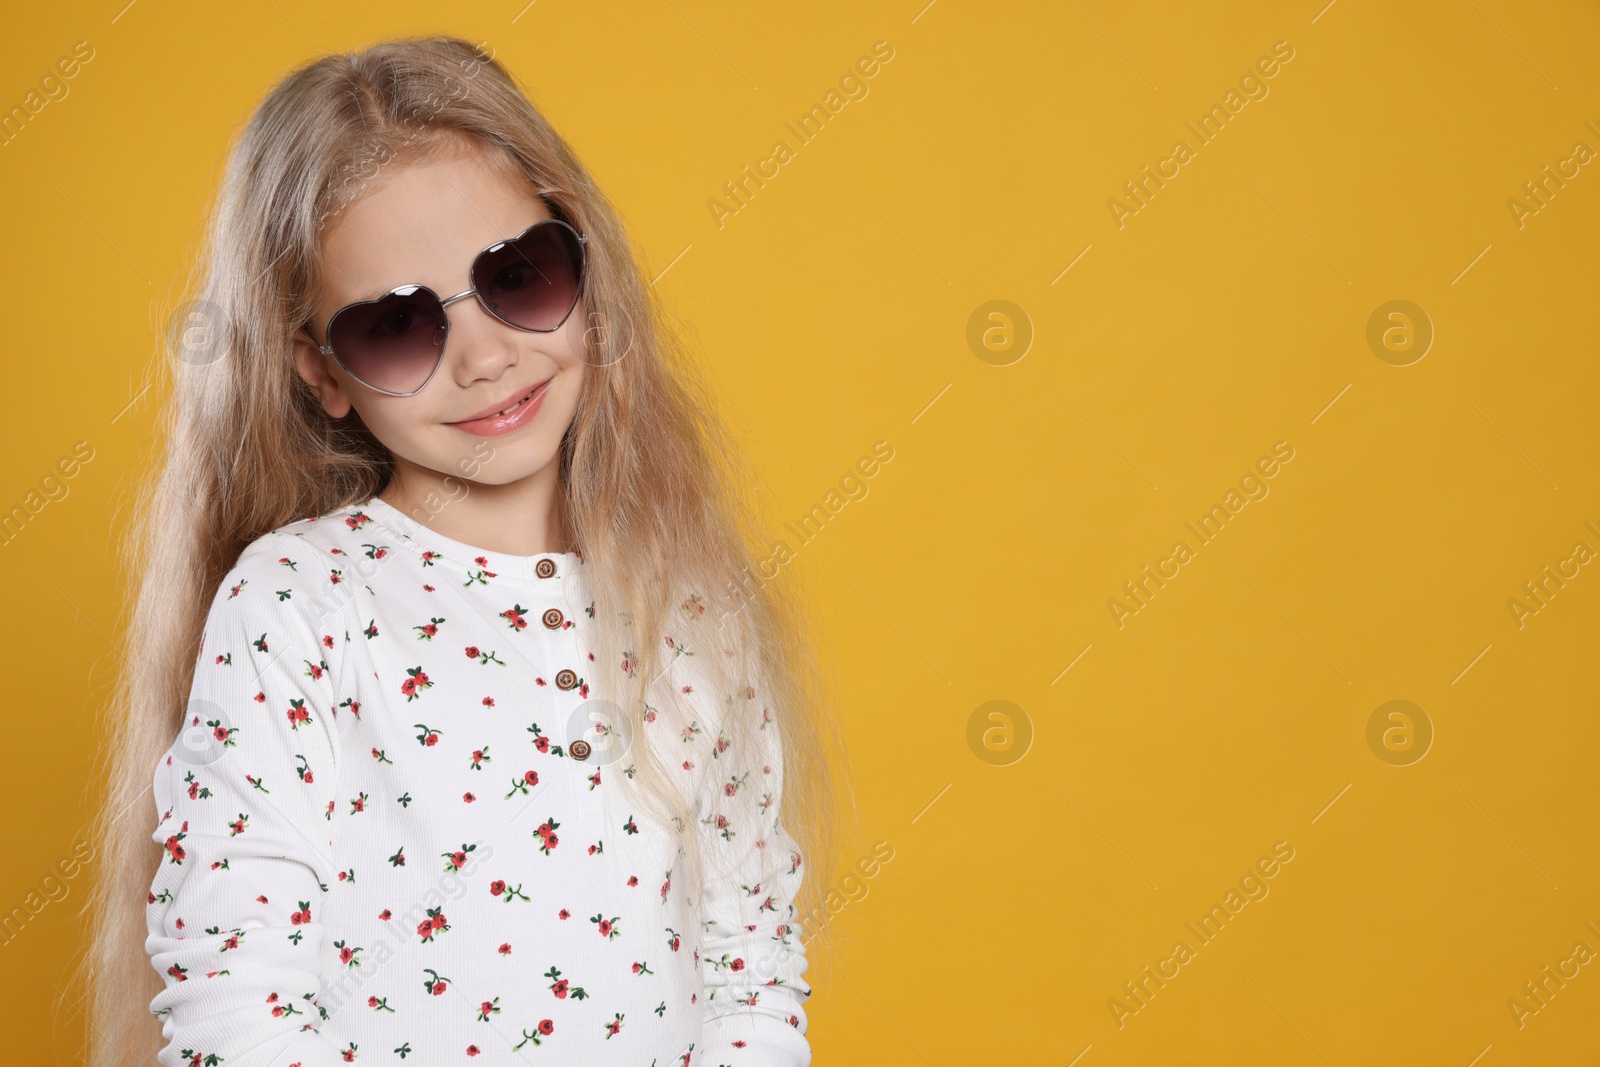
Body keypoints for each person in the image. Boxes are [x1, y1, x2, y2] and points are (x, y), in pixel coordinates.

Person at [79, 35, 848, 1067]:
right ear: (323, 372)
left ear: (585, 261)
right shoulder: (301, 607)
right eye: (397, 326)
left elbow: (747, 971)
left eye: (517, 277)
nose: (486, 356)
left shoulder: (692, 607)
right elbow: (235, 999)